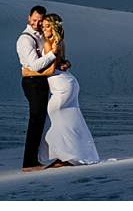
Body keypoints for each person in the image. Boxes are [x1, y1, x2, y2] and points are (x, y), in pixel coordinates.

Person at [23, 13, 100, 167]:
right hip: (67, 82)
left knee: (55, 117)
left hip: (61, 85)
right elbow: (61, 63)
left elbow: (50, 70)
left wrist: (28, 72)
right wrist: (65, 63)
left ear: (54, 27)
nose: (44, 29)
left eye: (47, 26)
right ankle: (71, 155)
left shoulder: (49, 43)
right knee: (67, 118)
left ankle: (65, 156)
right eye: (43, 26)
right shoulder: (60, 42)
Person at [16, 5, 69, 172]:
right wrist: (53, 54)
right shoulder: (25, 39)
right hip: (33, 82)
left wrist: (62, 61)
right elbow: (35, 65)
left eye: (40, 21)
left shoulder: (40, 35)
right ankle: (29, 162)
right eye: (34, 20)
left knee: (42, 121)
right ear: (28, 18)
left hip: (41, 81)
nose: (37, 23)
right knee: (36, 120)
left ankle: (39, 158)